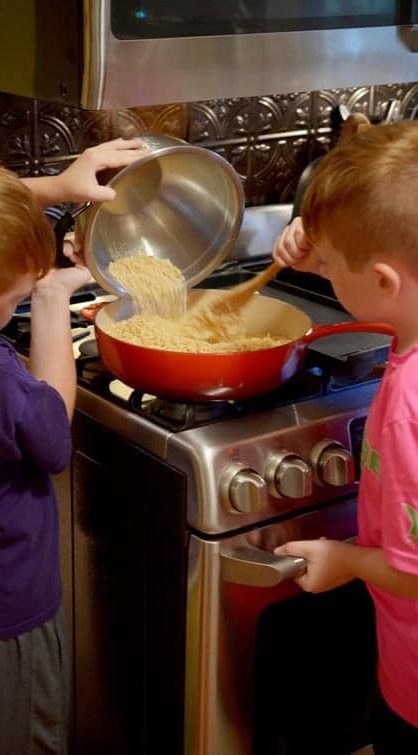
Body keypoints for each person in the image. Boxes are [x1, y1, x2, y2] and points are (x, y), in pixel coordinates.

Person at [0, 139, 146, 755]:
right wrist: (50, 302)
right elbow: (50, 438)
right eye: (13, 298)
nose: (23, 296)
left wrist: (56, 187)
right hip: (3, 612)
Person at [272, 120, 418, 754]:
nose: (319, 273)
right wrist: (328, 247)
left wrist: (345, 562)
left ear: (383, 282)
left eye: (327, 268)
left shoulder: (411, 407)